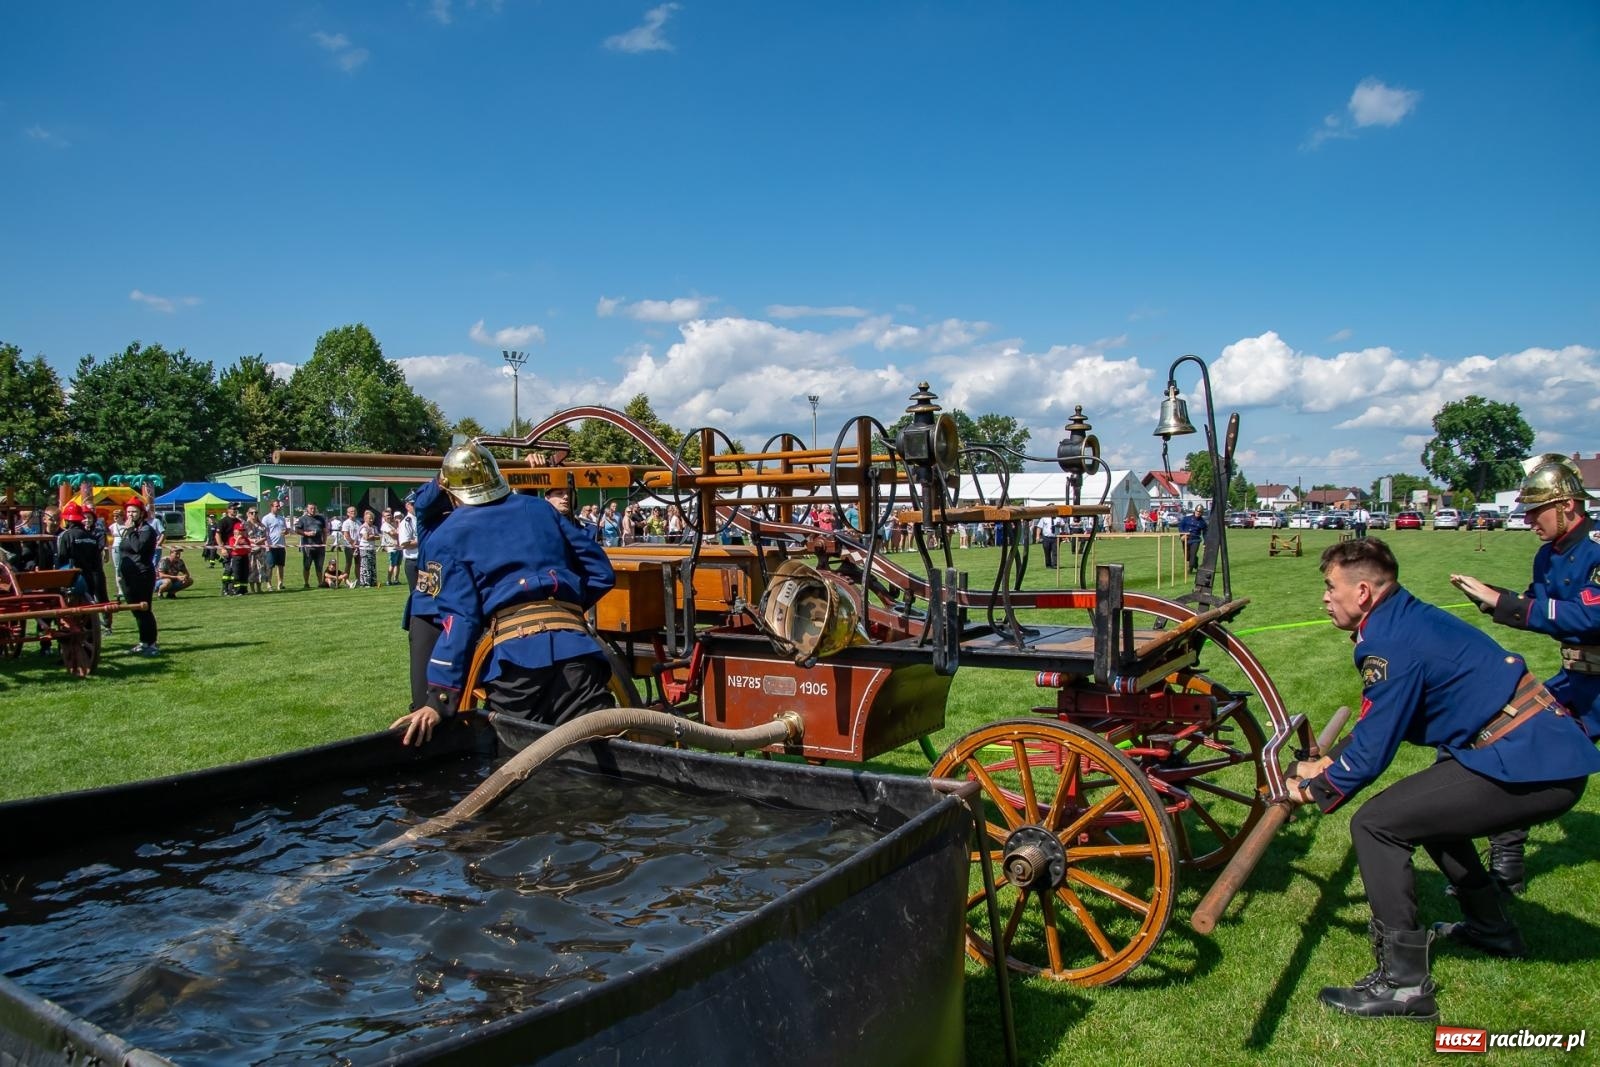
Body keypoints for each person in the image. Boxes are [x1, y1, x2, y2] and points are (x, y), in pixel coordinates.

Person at [1283, 539, 1599, 1019]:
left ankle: (1403, 985)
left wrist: (1311, 788)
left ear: (1363, 592)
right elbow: (1385, 720)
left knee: (1377, 824)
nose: (1325, 598)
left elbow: (1373, 752)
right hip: (1527, 753)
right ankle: (1491, 930)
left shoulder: (1388, 641)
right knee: (1427, 812)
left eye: (1330, 587)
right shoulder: (1402, 616)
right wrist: (1329, 762)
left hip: (1529, 765)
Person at [391, 443, 616, 746]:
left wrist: (438, 699)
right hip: (579, 653)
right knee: (603, 762)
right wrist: (562, 611)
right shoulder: (541, 509)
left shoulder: (448, 533)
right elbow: (601, 571)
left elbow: (460, 618)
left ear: (451, 493)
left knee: (522, 768)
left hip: (517, 666)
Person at [1450, 454, 1600, 895]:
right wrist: (1493, 597)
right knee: (1516, 743)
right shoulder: (1548, 555)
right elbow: (1539, 605)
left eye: (1537, 511)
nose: (1529, 520)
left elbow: (1591, 617)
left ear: (1567, 506)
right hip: (1581, 680)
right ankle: (1506, 867)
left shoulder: (1597, 547)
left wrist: (1508, 605)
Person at [118, 499, 162, 655]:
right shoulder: (131, 530)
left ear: (142, 513)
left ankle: (152, 644)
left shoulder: (147, 530)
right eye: (129, 511)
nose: (130, 514)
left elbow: (138, 548)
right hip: (127, 576)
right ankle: (144, 642)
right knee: (136, 611)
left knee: (144, 609)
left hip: (142, 575)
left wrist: (130, 531)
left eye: (134, 511)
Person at [213, 502, 242, 596]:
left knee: (235, 570)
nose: (234, 510)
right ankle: (225, 589)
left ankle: (232, 588)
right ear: (228, 510)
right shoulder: (223, 521)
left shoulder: (238, 521)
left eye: (236, 509)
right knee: (228, 569)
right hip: (227, 548)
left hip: (236, 549)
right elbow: (217, 535)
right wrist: (222, 548)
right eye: (233, 509)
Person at [261, 498, 289, 592]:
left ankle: (280, 583)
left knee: (280, 565)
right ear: (271, 507)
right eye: (276, 506)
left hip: (281, 546)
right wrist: (267, 546)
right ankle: (269, 584)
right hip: (271, 546)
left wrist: (286, 532)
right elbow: (263, 533)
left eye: (279, 506)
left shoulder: (282, 518)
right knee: (270, 566)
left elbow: (286, 530)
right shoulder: (266, 518)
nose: (278, 507)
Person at [1177, 506, 1207, 573]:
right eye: (1197, 511)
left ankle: (1190, 568)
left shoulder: (1202, 522)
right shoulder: (1187, 518)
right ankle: (1195, 560)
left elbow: (1205, 533)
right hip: (1185, 538)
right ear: (1195, 511)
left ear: (1202, 513)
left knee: (1193, 554)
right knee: (1187, 556)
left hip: (1195, 540)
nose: (1198, 513)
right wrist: (1182, 534)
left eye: (1200, 512)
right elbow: (1180, 526)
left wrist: (1205, 543)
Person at [381, 508, 402, 586]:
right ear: (384, 517)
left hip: (399, 546)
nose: (389, 517)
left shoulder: (394, 524)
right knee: (392, 564)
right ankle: (388, 580)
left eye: (390, 515)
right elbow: (393, 534)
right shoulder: (385, 525)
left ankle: (396, 580)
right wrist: (399, 532)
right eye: (387, 516)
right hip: (391, 547)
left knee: (398, 564)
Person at [340, 506, 360, 576]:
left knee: (358, 563)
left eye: (354, 511)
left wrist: (357, 544)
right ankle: (346, 580)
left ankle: (358, 580)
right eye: (351, 511)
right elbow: (346, 534)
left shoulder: (358, 522)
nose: (353, 512)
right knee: (348, 563)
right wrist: (353, 543)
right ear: (348, 513)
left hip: (358, 546)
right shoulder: (346, 523)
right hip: (349, 546)